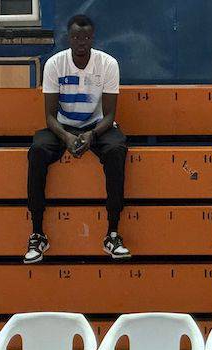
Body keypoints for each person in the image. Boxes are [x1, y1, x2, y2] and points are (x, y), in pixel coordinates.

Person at [24, 14, 131, 263]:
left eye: (85, 37)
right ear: (68, 38)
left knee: (117, 150)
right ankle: (37, 234)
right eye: (75, 37)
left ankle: (112, 233)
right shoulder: (54, 64)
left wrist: (91, 135)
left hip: (98, 127)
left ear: (92, 38)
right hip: (62, 127)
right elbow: (49, 116)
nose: (80, 41)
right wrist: (67, 137)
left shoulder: (108, 64)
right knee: (37, 150)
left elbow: (110, 114)